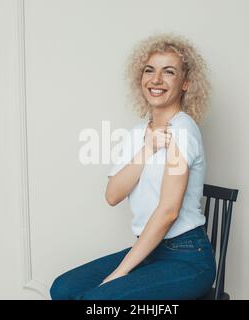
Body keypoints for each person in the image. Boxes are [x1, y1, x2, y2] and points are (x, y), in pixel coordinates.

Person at [50, 33, 215, 300]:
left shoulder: (183, 130)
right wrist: (148, 148)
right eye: (150, 70)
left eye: (169, 72)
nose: (156, 79)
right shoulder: (139, 132)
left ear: (185, 83)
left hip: (186, 257)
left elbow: (169, 212)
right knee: (63, 289)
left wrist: (119, 273)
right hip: (149, 251)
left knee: (99, 301)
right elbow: (113, 194)